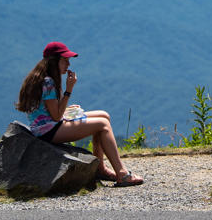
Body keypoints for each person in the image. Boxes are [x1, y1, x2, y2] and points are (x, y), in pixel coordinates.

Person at [15, 42, 144, 186]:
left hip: (48, 125)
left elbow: (49, 110)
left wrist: (67, 108)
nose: (68, 64)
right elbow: (56, 116)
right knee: (102, 125)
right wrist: (69, 90)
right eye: (65, 60)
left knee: (104, 115)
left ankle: (100, 168)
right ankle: (122, 174)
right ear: (54, 61)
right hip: (48, 131)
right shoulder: (48, 82)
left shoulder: (43, 77)